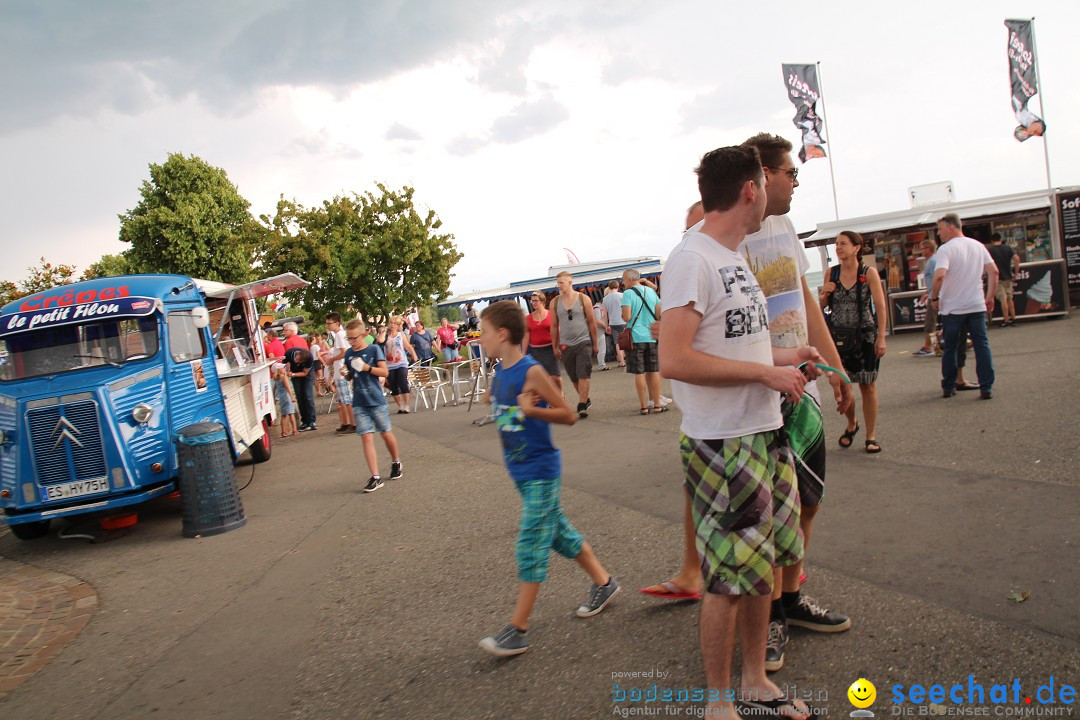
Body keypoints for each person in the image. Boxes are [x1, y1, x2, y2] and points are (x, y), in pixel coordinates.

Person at [645, 134, 853, 676]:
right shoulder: (692, 258)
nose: (776, 189)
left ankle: (757, 680)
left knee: (765, 565)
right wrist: (767, 372)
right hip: (725, 440)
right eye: (769, 180)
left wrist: (791, 356)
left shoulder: (733, 255)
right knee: (733, 577)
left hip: (765, 429)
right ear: (750, 189)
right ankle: (720, 699)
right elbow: (674, 358)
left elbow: (742, 342)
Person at [476, 300, 619, 658]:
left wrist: (528, 408)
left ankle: (518, 629)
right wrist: (492, 398)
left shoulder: (531, 371)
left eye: (485, 332)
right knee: (558, 533)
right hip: (520, 471)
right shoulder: (500, 371)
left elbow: (568, 414)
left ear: (503, 334)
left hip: (541, 469)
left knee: (531, 543)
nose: (480, 338)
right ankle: (605, 582)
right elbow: (502, 406)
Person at [820, 230, 888, 454]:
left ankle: (871, 435)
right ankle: (852, 424)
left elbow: (880, 306)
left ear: (857, 248)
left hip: (865, 336)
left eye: (843, 244)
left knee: (868, 385)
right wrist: (824, 295)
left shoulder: (868, 273)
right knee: (841, 383)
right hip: (839, 337)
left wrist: (881, 337)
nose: (838, 248)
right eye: (836, 244)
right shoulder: (832, 273)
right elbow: (821, 309)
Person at [931, 213, 998, 400]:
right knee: (981, 345)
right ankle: (986, 386)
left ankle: (949, 385)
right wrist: (989, 296)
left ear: (951, 227)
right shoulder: (978, 246)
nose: (939, 233)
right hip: (976, 304)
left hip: (953, 307)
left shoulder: (946, 249)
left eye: (940, 228)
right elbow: (993, 271)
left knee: (950, 347)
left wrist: (934, 297)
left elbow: (939, 276)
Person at [342, 319, 403, 492]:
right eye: (349, 338)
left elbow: (384, 372)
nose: (352, 341)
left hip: (376, 400)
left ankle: (396, 461)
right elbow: (351, 376)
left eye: (354, 338)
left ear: (363, 335)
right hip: (359, 401)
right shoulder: (348, 353)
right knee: (366, 437)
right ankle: (375, 477)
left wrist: (367, 368)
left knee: (385, 434)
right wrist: (347, 374)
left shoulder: (373, 349)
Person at [548, 271, 599, 418]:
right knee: (574, 376)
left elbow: (591, 322)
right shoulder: (555, 302)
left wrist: (595, 343)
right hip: (565, 345)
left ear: (570, 283)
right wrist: (555, 346)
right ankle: (586, 398)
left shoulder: (584, 299)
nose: (558, 286)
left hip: (583, 341)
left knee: (583, 372)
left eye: (561, 283)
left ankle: (582, 404)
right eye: (557, 283)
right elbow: (553, 326)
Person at [621, 268, 663, 415]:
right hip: (652, 335)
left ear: (631, 279)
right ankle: (657, 404)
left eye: (624, 279)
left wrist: (623, 313)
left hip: (636, 337)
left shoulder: (627, 294)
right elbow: (659, 314)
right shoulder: (651, 292)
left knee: (640, 372)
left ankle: (644, 406)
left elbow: (626, 317)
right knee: (654, 371)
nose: (623, 282)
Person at [324, 313, 357, 434]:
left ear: (337, 323)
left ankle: (352, 424)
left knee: (346, 399)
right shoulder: (340, 335)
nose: (327, 325)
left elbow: (344, 352)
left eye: (329, 323)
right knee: (343, 400)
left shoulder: (339, 335)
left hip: (342, 371)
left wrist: (331, 359)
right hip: (341, 371)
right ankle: (347, 423)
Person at [524, 292, 562, 394]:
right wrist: (522, 353)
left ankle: (560, 395)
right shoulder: (527, 318)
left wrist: (557, 347)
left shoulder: (551, 314)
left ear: (542, 301)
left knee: (555, 377)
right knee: (543, 378)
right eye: (532, 301)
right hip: (536, 351)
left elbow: (557, 331)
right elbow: (526, 336)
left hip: (551, 348)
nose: (533, 303)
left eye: (536, 300)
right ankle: (550, 401)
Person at [384, 315, 419, 414]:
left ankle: (407, 405)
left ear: (398, 325)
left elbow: (407, 346)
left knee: (403, 383)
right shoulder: (385, 336)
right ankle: (400, 405)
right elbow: (380, 345)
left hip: (401, 362)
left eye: (395, 323)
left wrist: (414, 354)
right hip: (390, 364)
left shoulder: (401, 335)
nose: (392, 325)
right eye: (391, 323)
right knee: (393, 386)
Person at [987, 233, 1021, 326]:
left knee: (1003, 299)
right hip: (1008, 277)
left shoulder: (990, 251)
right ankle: (1013, 318)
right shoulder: (1008, 248)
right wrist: (1016, 272)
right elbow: (1016, 259)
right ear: (1000, 239)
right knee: (1010, 298)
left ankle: (1006, 320)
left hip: (997, 278)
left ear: (992, 241)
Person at [913, 239, 939, 357]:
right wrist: (927, 292)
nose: (921, 251)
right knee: (933, 322)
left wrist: (933, 295)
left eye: (923, 248)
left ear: (928, 249)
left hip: (935, 296)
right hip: (934, 294)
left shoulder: (933, 261)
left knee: (930, 322)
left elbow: (937, 278)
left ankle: (930, 346)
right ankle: (934, 346)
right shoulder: (932, 261)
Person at [284, 346, 317, 431]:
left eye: (299, 361)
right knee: (300, 397)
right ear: (297, 353)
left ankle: (312, 421)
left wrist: (293, 375)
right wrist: (288, 370)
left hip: (306, 374)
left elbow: (305, 373)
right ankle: (305, 421)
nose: (296, 361)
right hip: (294, 373)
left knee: (308, 395)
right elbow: (284, 363)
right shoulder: (289, 353)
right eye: (297, 359)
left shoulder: (309, 357)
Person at [601, 280, 626, 368]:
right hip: (623, 321)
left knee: (617, 343)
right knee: (627, 341)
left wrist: (606, 325)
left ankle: (622, 362)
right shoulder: (622, 295)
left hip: (613, 322)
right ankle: (629, 360)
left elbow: (605, 314)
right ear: (617, 286)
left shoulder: (605, 299)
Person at [272, 362, 298, 438]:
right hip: (287, 397)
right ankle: (294, 429)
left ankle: (283, 432)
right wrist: (292, 396)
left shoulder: (276, 379)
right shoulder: (284, 377)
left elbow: (274, 389)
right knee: (291, 413)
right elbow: (287, 387)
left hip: (281, 397)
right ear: (279, 370)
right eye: (283, 368)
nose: (284, 369)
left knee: (283, 415)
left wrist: (274, 397)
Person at [593, 293, 610, 371]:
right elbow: (597, 321)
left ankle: (602, 364)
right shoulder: (597, 308)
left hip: (600, 330)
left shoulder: (598, 308)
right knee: (601, 348)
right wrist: (606, 326)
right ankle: (602, 365)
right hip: (599, 331)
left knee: (602, 348)